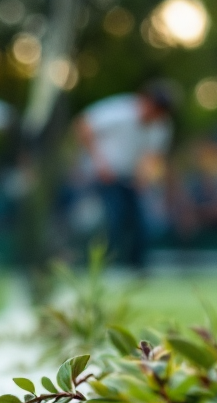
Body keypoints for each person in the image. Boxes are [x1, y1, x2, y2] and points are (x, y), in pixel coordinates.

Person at [74, 83, 176, 269]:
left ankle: (136, 268)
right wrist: (100, 163)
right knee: (113, 219)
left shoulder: (161, 126)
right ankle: (105, 266)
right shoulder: (120, 111)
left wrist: (144, 177)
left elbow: (153, 157)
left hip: (129, 179)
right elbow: (84, 124)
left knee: (141, 224)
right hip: (102, 177)